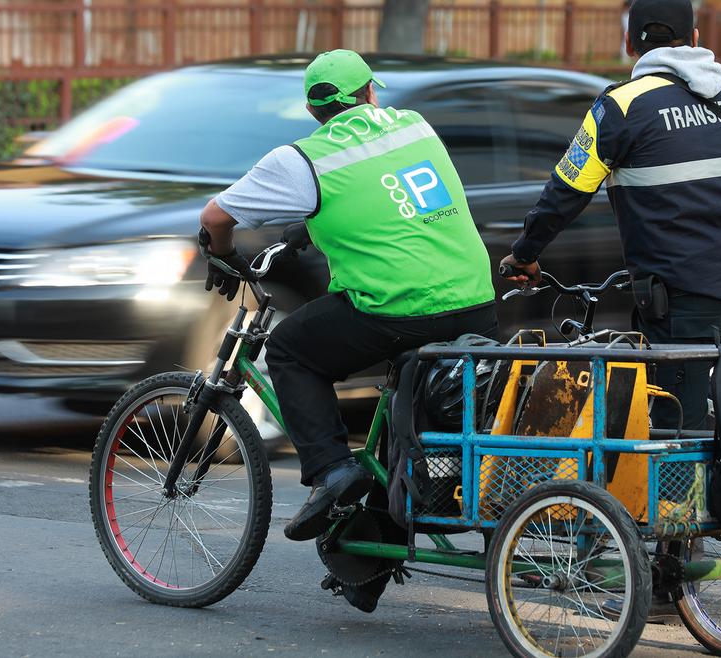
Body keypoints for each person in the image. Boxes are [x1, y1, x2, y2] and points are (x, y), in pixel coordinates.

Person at [197, 49, 497, 607]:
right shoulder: (413, 125)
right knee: (398, 404)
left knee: (290, 350)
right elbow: (386, 202)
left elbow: (217, 218)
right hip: (476, 300)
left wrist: (221, 257)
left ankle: (332, 471)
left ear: (314, 111)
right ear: (370, 94)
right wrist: (314, 229)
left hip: (399, 305)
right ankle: (367, 565)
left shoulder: (302, 160)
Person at [500, 0, 721, 433]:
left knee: (673, 426)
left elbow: (566, 191)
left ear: (630, 43)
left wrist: (525, 253)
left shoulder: (621, 106)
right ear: (696, 39)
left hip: (683, 298)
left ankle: (682, 502)